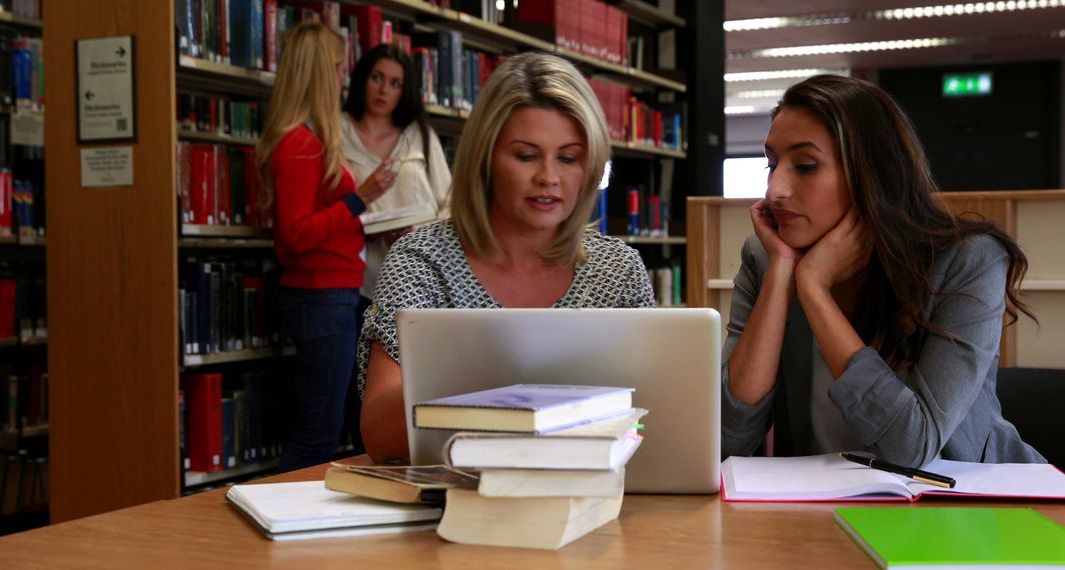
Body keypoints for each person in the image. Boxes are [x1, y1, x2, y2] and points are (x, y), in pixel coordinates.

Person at [721, 74, 1046, 467]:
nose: (775, 190)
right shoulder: (766, 258)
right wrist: (782, 273)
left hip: (968, 506)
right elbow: (727, 439)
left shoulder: (968, 261)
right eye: (772, 164)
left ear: (872, 173)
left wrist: (814, 290)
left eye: (805, 165)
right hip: (817, 506)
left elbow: (911, 447)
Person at [356, 52, 656, 462]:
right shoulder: (421, 261)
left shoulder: (618, 270)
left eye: (568, 158)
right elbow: (379, 437)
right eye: (526, 155)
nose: (548, 177)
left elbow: (650, 424)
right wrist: (501, 381)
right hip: (457, 499)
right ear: (486, 158)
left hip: (599, 499)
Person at [255, 21, 394, 472]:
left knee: (327, 426)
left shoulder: (307, 141)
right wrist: (359, 200)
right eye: (336, 67)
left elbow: (318, 225)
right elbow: (293, 236)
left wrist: (364, 226)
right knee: (317, 433)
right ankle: (281, 527)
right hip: (321, 297)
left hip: (331, 294)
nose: (342, 77)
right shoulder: (301, 145)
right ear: (319, 73)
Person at [341, 43, 452, 300]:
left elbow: (449, 201)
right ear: (362, 79)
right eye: (377, 78)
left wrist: (421, 236)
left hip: (418, 274)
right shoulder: (337, 132)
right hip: (358, 279)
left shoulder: (419, 134)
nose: (383, 91)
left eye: (395, 84)